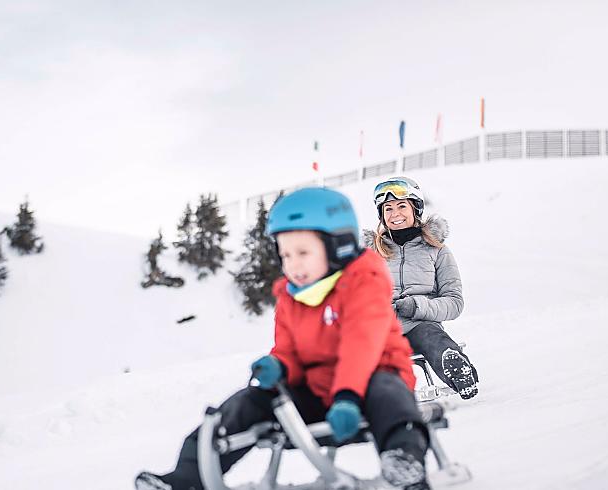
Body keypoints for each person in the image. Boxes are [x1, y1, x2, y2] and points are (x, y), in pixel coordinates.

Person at [136, 187, 431, 490]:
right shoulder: (291, 298)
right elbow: (289, 350)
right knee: (250, 400)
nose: (293, 264)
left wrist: (347, 396)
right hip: (319, 393)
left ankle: (405, 461)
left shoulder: (363, 284)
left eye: (303, 253)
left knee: (388, 391)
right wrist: (280, 365)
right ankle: (186, 476)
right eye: (286, 255)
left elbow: (362, 346)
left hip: (370, 385)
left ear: (338, 246)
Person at [364, 176, 478, 399]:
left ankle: (457, 369)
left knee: (431, 337)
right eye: (388, 209)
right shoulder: (370, 255)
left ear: (415, 209)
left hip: (420, 323)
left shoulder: (437, 250)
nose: (395, 214)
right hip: (381, 328)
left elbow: (454, 302)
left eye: (401, 206)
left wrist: (417, 307)